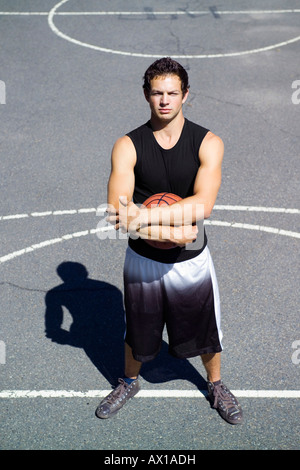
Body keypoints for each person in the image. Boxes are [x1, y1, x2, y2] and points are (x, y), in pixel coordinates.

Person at [95, 57, 243, 425]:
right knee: (137, 327)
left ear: (185, 95)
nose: (165, 100)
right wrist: (171, 232)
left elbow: (202, 204)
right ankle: (129, 381)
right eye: (157, 93)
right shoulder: (127, 145)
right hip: (143, 259)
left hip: (191, 261)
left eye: (172, 93)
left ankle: (216, 385)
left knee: (206, 328)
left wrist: (143, 215)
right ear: (146, 95)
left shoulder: (207, 142)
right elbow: (116, 214)